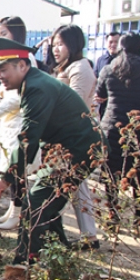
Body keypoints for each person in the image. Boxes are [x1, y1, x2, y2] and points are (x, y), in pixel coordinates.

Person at [0, 38, 103, 265]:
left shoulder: (37, 88)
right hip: (64, 149)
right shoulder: (31, 84)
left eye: (4, 69)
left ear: (23, 66)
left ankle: (24, 266)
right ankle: (59, 256)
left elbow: (28, 141)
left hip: (78, 150)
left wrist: (1, 184)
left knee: (37, 203)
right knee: (44, 201)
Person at [96, 32, 140, 224]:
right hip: (139, 128)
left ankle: (112, 214)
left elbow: (100, 93)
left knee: (112, 169)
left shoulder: (109, 68)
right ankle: (139, 215)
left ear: (121, 47)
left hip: (112, 126)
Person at [0, 16, 41, 230]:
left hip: (18, 123)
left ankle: (19, 213)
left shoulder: (25, 61)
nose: (1, 38)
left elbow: (20, 96)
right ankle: (12, 208)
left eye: (4, 34)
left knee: (18, 172)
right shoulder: (9, 59)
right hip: (8, 125)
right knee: (9, 170)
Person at [50, 24, 99, 249]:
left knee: (75, 183)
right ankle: (88, 236)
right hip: (65, 136)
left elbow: (75, 103)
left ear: (74, 44)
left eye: (60, 44)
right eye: (53, 45)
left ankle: (88, 236)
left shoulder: (81, 68)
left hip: (77, 136)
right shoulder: (64, 68)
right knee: (77, 185)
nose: (55, 49)